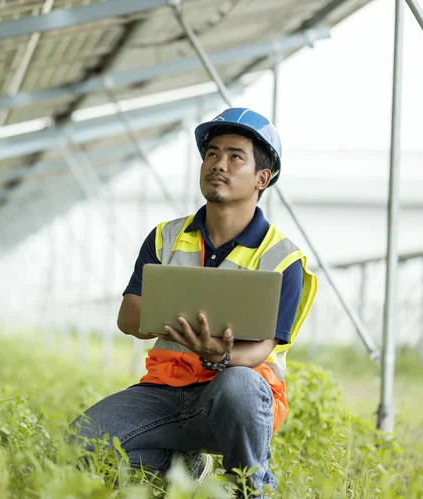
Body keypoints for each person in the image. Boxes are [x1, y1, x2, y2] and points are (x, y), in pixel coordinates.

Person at [69, 107, 318, 495]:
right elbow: (128, 317)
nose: (219, 164)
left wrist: (217, 356)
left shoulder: (283, 259)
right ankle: (179, 466)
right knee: (76, 447)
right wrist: (181, 330)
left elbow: (261, 350)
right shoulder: (165, 237)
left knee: (239, 384)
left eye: (236, 156)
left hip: (236, 399)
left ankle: (251, 487)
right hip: (165, 390)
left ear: (261, 178)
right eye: (212, 153)